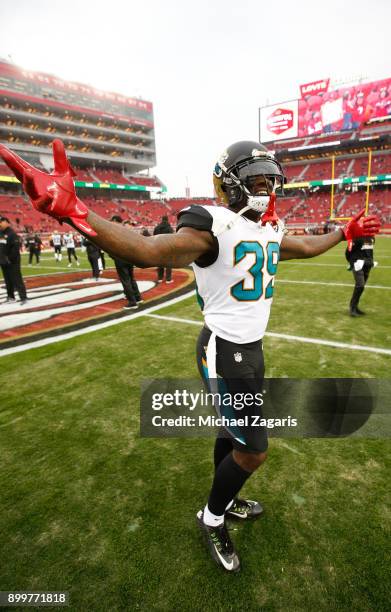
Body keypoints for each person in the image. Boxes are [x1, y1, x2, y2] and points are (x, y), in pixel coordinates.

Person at [0, 139, 380, 572]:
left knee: (234, 433)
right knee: (254, 451)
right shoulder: (210, 224)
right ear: (230, 184)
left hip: (250, 349)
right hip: (224, 352)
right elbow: (149, 250)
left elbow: (308, 248)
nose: (267, 190)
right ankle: (212, 516)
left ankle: (227, 500)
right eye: (256, 181)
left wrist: (344, 233)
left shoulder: (268, 229)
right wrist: (76, 212)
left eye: (271, 181)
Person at [110, 215, 143, 309]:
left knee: (126, 280)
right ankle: (138, 298)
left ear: (115, 221)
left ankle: (132, 302)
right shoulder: (128, 229)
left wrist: (113, 256)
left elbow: (113, 245)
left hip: (121, 258)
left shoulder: (116, 230)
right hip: (129, 257)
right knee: (131, 278)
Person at [0, 216, 28, 305]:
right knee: (7, 280)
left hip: (13, 261)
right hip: (3, 261)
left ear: (7, 222)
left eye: (1, 221)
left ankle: (23, 297)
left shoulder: (12, 234)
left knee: (16, 279)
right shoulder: (0, 233)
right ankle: (11, 297)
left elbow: (15, 248)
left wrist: (9, 258)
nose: (0, 223)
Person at [345, 236, 375, 316]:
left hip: (367, 265)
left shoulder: (372, 238)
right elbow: (348, 251)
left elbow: (370, 252)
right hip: (357, 264)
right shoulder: (357, 238)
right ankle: (352, 309)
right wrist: (352, 263)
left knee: (361, 287)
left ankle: (355, 307)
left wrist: (371, 262)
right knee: (360, 285)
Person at [153, 215, 174, 283]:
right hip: (168, 247)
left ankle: (160, 278)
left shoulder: (156, 228)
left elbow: (153, 237)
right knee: (168, 264)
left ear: (162, 220)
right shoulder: (170, 228)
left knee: (160, 264)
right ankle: (168, 279)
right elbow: (172, 238)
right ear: (167, 220)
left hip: (159, 247)